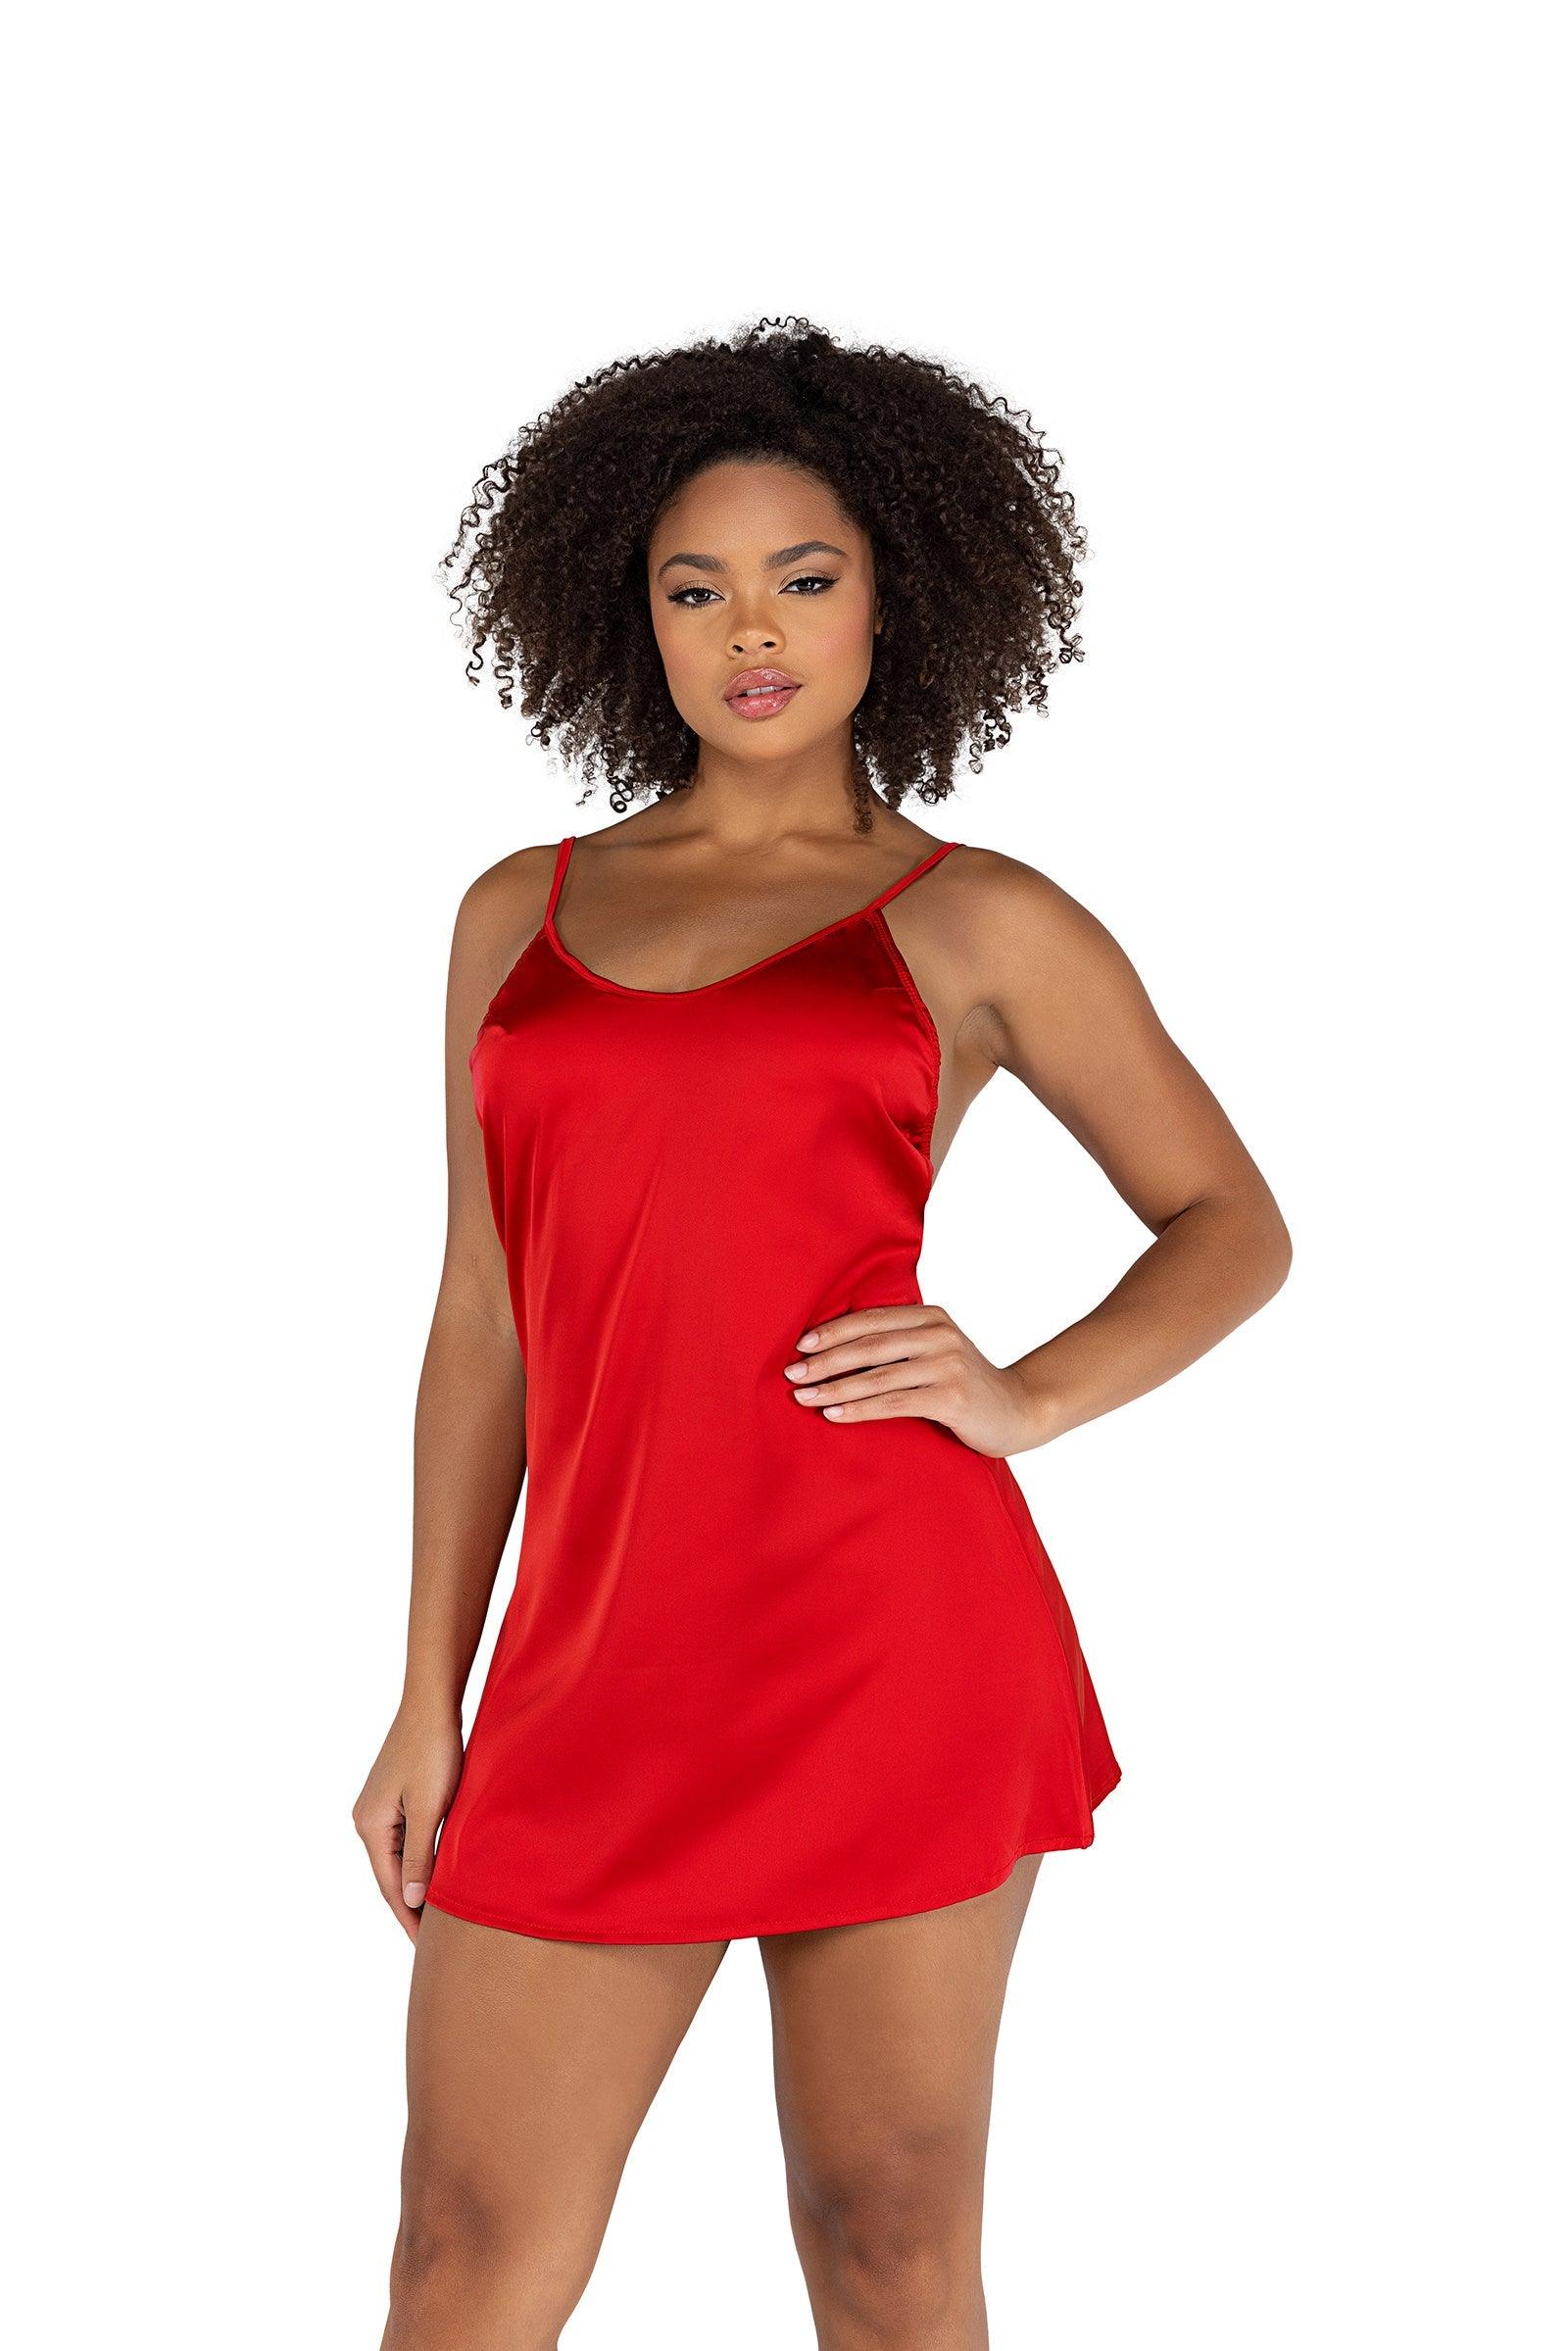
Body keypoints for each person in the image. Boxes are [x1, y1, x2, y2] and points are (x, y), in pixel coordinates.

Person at [354, 316, 1291, 2350]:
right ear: (635, 618)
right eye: (695, 589)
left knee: (886, 2242)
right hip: (595, 1662)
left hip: (889, 1640)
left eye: (803, 577)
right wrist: (430, 1692)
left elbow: (1230, 1226)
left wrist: (1023, 1393)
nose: (750, 631)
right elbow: (483, 1319)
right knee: (462, 2251)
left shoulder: (976, 918)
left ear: (896, 596)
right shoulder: (516, 913)